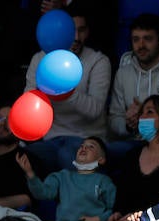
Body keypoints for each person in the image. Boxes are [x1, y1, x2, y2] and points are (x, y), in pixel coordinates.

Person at [22, 14, 112, 172]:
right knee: (22, 159)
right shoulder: (40, 59)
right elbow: (29, 108)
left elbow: (95, 110)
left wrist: (66, 91)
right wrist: (44, 88)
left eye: (81, 30)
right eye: (71, 31)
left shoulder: (99, 61)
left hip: (86, 139)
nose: (76, 37)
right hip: (51, 138)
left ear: (88, 32)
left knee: (67, 155)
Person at [19, 140, 117, 221]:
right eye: (81, 146)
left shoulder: (104, 181)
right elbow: (43, 193)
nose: (83, 148)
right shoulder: (62, 176)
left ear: (101, 159)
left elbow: (114, 210)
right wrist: (30, 174)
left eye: (91, 147)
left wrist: (98, 219)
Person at [107, 14, 159, 155]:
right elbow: (113, 121)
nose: (141, 45)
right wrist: (128, 124)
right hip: (132, 143)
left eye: (147, 39)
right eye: (136, 40)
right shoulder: (123, 74)